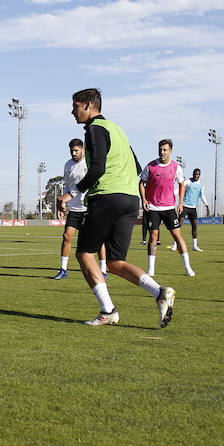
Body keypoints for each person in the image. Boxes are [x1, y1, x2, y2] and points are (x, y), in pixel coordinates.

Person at [57, 88, 176, 327]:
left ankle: (108, 310)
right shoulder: (117, 130)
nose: (72, 111)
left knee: (84, 254)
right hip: (130, 199)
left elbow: (98, 168)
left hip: (108, 197)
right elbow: (137, 165)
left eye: (76, 106)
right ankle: (160, 293)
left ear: (89, 106)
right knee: (114, 262)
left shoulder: (94, 129)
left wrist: (72, 192)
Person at [139, 139, 195, 277]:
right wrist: (144, 199)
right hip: (153, 207)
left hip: (169, 207)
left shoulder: (176, 167)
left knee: (177, 235)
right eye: (160, 149)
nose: (162, 152)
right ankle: (151, 269)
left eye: (165, 150)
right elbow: (141, 183)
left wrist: (180, 203)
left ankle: (188, 267)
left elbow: (182, 185)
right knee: (153, 236)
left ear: (170, 151)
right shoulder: (151, 166)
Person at [52, 138, 106, 280]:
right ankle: (63, 269)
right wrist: (62, 203)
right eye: (71, 151)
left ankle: (103, 269)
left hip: (89, 207)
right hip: (74, 209)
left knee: (98, 240)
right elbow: (67, 185)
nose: (74, 153)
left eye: (76, 150)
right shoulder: (68, 165)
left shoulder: (89, 163)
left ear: (82, 149)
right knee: (66, 236)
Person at [171, 168, 209, 252]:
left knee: (195, 226)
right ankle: (174, 244)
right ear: (193, 174)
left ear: (200, 175)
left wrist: (206, 205)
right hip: (184, 206)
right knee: (179, 225)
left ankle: (194, 246)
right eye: (195, 174)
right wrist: (172, 194)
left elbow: (201, 195)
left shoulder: (201, 185)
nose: (196, 175)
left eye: (198, 174)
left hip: (193, 208)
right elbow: (180, 188)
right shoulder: (188, 181)